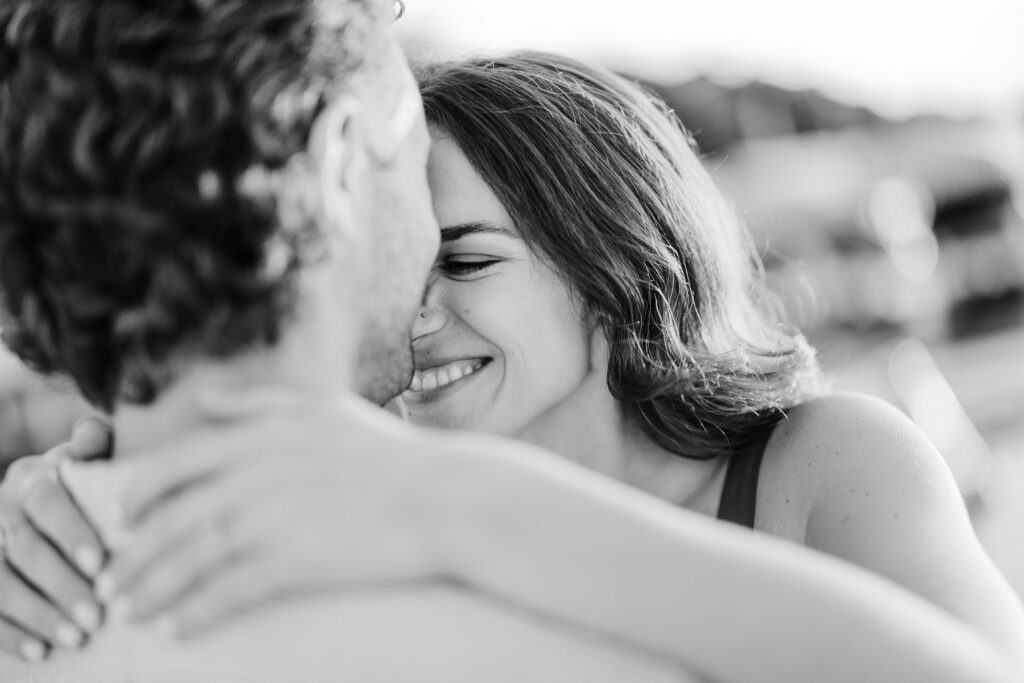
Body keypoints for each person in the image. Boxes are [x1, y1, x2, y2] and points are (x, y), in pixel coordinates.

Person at [0, 8, 1020, 683]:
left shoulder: (824, 460)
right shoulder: (344, 505)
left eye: (470, 259)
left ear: (609, 259)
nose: (409, 306)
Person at [0, 1, 703, 680]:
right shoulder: (586, 644)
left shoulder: (33, 585)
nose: (427, 242)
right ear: (339, 161)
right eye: (409, 158)